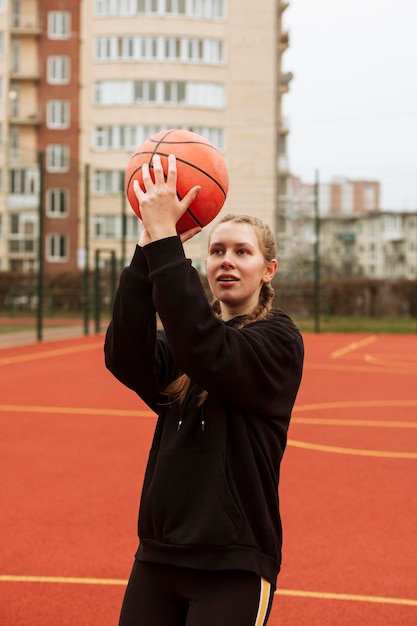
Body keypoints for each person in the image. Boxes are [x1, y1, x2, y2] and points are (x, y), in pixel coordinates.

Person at [104, 153, 304, 626]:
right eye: (216, 251)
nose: (227, 262)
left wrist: (167, 245)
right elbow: (124, 355)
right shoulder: (184, 341)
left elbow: (208, 350)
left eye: (242, 251)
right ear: (205, 263)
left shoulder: (279, 341)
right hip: (159, 553)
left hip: (233, 560)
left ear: (268, 269)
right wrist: (147, 247)